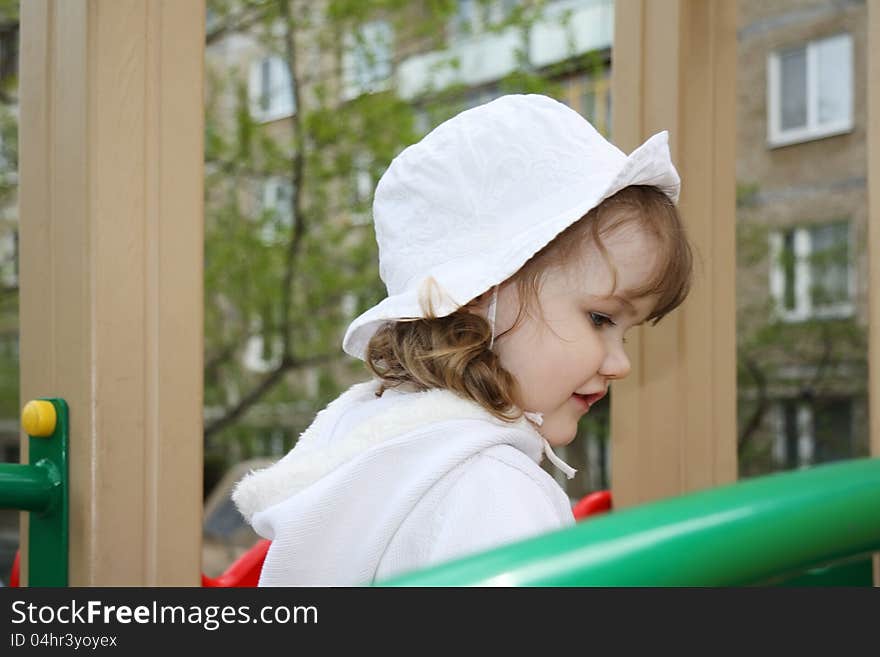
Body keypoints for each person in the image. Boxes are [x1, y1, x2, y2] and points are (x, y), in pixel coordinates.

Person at [232, 94, 693, 586]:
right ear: (477, 295)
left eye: (628, 332)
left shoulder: (372, 446)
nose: (620, 364)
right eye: (601, 318)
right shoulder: (495, 490)